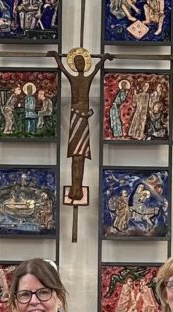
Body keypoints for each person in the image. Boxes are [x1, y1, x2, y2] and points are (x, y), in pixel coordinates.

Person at [48, 47, 113, 201]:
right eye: (76, 62)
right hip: (75, 118)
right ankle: (73, 188)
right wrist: (56, 57)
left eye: (81, 61)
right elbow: (62, 69)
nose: (79, 64)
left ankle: (78, 189)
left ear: (85, 64)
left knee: (80, 156)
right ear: (74, 65)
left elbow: (97, 68)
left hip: (83, 120)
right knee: (75, 157)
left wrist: (104, 58)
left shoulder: (87, 79)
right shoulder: (73, 78)